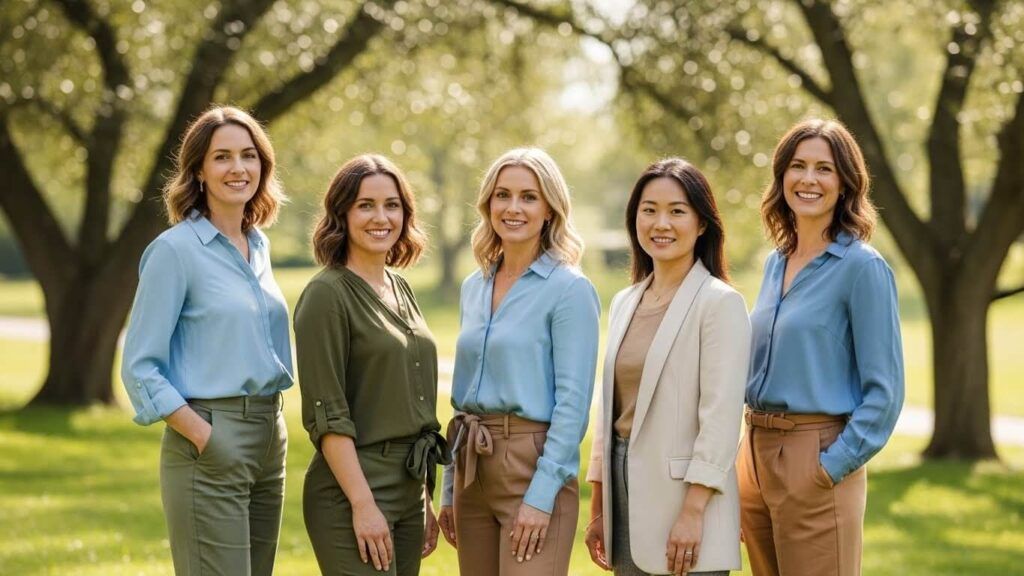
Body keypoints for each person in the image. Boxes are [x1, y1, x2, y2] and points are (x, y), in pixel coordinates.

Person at [121, 106, 292, 576]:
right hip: (210, 436)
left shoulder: (258, 246)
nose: (238, 168)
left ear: (263, 165)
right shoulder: (174, 251)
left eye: (249, 155)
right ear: (198, 169)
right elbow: (139, 365)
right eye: (222, 157)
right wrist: (203, 436)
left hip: (268, 435)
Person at [738, 118, 905, 576]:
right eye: (798, 166)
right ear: (781, 176)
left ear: (845, 183)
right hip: (754, 456)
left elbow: (885, 392)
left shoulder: (862, 268)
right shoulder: (776, 262)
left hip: (816, 458)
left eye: (824, 169)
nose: (809, 179)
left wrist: (828, 468)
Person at [436, 147, 600, 575]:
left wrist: (541, 496)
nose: (513, 208)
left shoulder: (569, 290)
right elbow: (464, 400)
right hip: (473, 464)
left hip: (533, 464)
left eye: (528, 197)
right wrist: (451, 489)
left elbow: (573, 405)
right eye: (502, 195)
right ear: (488, 203)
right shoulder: (475, 286)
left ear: (550, 209)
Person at [583, 158, 750, 576]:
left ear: (702, 224)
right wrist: (600, 507)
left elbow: (721, 418)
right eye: (649, 210)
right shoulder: (625, 302)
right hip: (623, 500)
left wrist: (693, 511)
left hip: (687, 500)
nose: (661, 223)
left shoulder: (720, 303)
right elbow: (610, 412)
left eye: (677, 211)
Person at [293, 154, 447, 576]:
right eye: (366, 205)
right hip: (351, 489)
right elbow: (328, 416)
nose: (381, 217)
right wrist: (363, 505)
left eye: (392, 205)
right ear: (341, 213)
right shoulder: (326, 295)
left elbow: (411, 406)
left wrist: (424, 499)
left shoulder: (399, 286)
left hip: (409, 487)